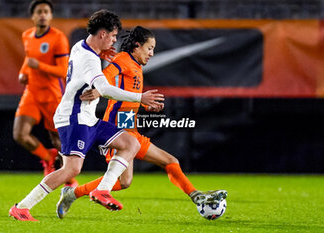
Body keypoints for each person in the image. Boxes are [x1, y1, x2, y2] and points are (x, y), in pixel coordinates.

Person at [55, 26, 227, 219]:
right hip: (116, 131)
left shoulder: (135, 66)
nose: (152, 53)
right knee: (159, 166)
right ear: (137, 46)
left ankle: (72, 194)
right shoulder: (123, 59)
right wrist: (97, 89)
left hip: (129, 128)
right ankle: (72, 194)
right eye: (149, 48)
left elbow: (126, 100)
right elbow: (108, 74)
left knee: (135, 177)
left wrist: (144, 105)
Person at [9, 9, 164, 222]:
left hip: (88, 117)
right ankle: (22, 207)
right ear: (102, 34)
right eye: (112, 36)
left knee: (130, 144)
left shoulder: (80, 46)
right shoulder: (90, 60)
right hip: (74, 117)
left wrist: (102, 54)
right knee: (71, 168)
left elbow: (91, 71)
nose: (114, 40)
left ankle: (102, 190)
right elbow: (105, 88)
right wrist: (141, 97)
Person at [12, 0, 76, 187]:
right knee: (20, 135)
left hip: (52, 93)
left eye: (46, 11)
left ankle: (68, 177)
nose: (42, 14)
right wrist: (23, 71)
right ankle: (48, 157)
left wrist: (38, 66)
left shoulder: (58, 38)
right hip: (31, 92)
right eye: (39, 11)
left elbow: (63, 71)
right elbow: (29, 59)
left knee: (57, 139)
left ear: (50, 16)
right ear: (32, 16)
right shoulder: (27, 36)